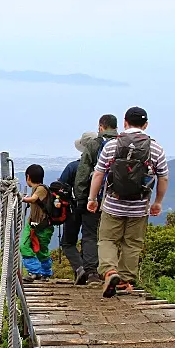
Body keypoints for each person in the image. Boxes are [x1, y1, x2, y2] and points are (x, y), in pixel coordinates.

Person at [87, 106, 168, 298]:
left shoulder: (112, 145)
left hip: (113, 203)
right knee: (132, 243)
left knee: (107, 240)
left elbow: (99, 173)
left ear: (124, 122)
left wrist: (92, 198)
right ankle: (124, 282)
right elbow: (163, 177)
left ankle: (109, 271)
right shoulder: (156, 148)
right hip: (139, 206)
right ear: (146, 125)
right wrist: (157, 202)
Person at [73, 114, 119, 284]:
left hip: (96, 199)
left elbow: (83, 173)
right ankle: (112, 271)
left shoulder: (93, 145)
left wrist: (82, 198)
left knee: (90, 235)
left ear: (101, 127)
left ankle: (92, 273)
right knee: (113, 238)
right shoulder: (123, 143)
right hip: (119, 201)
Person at [58, 132, 96, 282]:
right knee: (90, 238)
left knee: (68, 242)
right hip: (94, 207)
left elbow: (60, 187)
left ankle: (80, 269)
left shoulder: (73, 166)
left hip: (73, 208)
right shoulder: (101, 168)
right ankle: (92, 272)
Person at [20, 165, 54, 282]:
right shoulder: (37, 189)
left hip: (43, 227)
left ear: (28, 177)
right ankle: (34, 271)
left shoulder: (41, 189)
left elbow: (33, 199)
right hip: (32, 225)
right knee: (24, 247)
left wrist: (21, 198)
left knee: (41, 251)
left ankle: (44, 273)